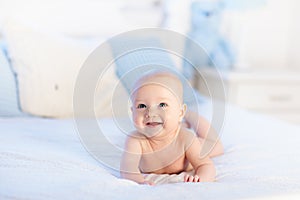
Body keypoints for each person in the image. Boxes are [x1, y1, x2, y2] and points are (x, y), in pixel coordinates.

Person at [120, 71, 224, 185]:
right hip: (172, 125)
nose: (150, 113)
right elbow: (127, 169)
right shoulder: (135, 140)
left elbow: (205, 165)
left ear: (180, 112)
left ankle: (190, 115)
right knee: (168, 124)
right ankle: (179, 123)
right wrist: (140, 181)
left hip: (193, 144)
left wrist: (201, 178)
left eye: (162, 105)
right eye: (142, 106)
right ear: (132, 111)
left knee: (216, 146)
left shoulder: (187, 138)